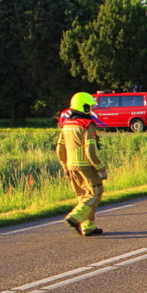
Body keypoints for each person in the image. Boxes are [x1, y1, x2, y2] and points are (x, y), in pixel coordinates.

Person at [57, 92, 108, 236]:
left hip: (71, 165)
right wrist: (101, 168)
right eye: (90, 106)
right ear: (84, 107)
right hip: (86, 166)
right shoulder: (87, 125)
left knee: (83, 195)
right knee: (95, 193)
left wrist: (64, 165)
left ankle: (88, 226)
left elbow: (60, 149)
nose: (92, 109)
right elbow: (90, 150)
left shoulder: (66, 125)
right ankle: (75, 217)